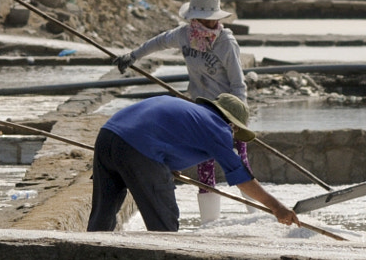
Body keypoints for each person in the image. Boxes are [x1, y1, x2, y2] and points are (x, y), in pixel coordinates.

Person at [117, 0, 247, 222]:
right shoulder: (184, 35)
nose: (209, 25)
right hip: (199, 108)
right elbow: (158, 42)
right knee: (204, 164)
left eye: (212, 20)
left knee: (239, 161)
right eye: (204, 20)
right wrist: (133, 56)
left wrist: (238, 121)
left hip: (227, 109)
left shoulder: (226, 42)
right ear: (193, 18)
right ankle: (210, 222)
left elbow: (238, 84)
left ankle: (256, 213)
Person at [88, 92, 300, 234]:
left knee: (102, 214)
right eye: (235, 130)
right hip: (140, 149)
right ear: (232, 124)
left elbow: (162, 135)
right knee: (164, 223)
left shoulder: (193, 113)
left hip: (107, 137)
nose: (233, 134)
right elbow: (241, 176)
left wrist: (166, 167)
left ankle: (92, 258)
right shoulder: (218, 128)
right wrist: (277, 207)